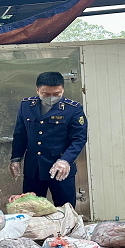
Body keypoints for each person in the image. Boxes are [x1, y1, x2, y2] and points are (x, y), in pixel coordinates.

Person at [9, 71, 87, 208]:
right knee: (31, 208)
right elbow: (20, 134)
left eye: (57, 94)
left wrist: (66, 160)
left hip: (60, 168)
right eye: (46, 94)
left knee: (65, 210)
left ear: (63, 90)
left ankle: (66, 231)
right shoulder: (26, 105)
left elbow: (79, 138)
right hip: (34, 168)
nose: (51, 98)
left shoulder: (73, 109)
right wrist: (16, 158)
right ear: (37, 90)